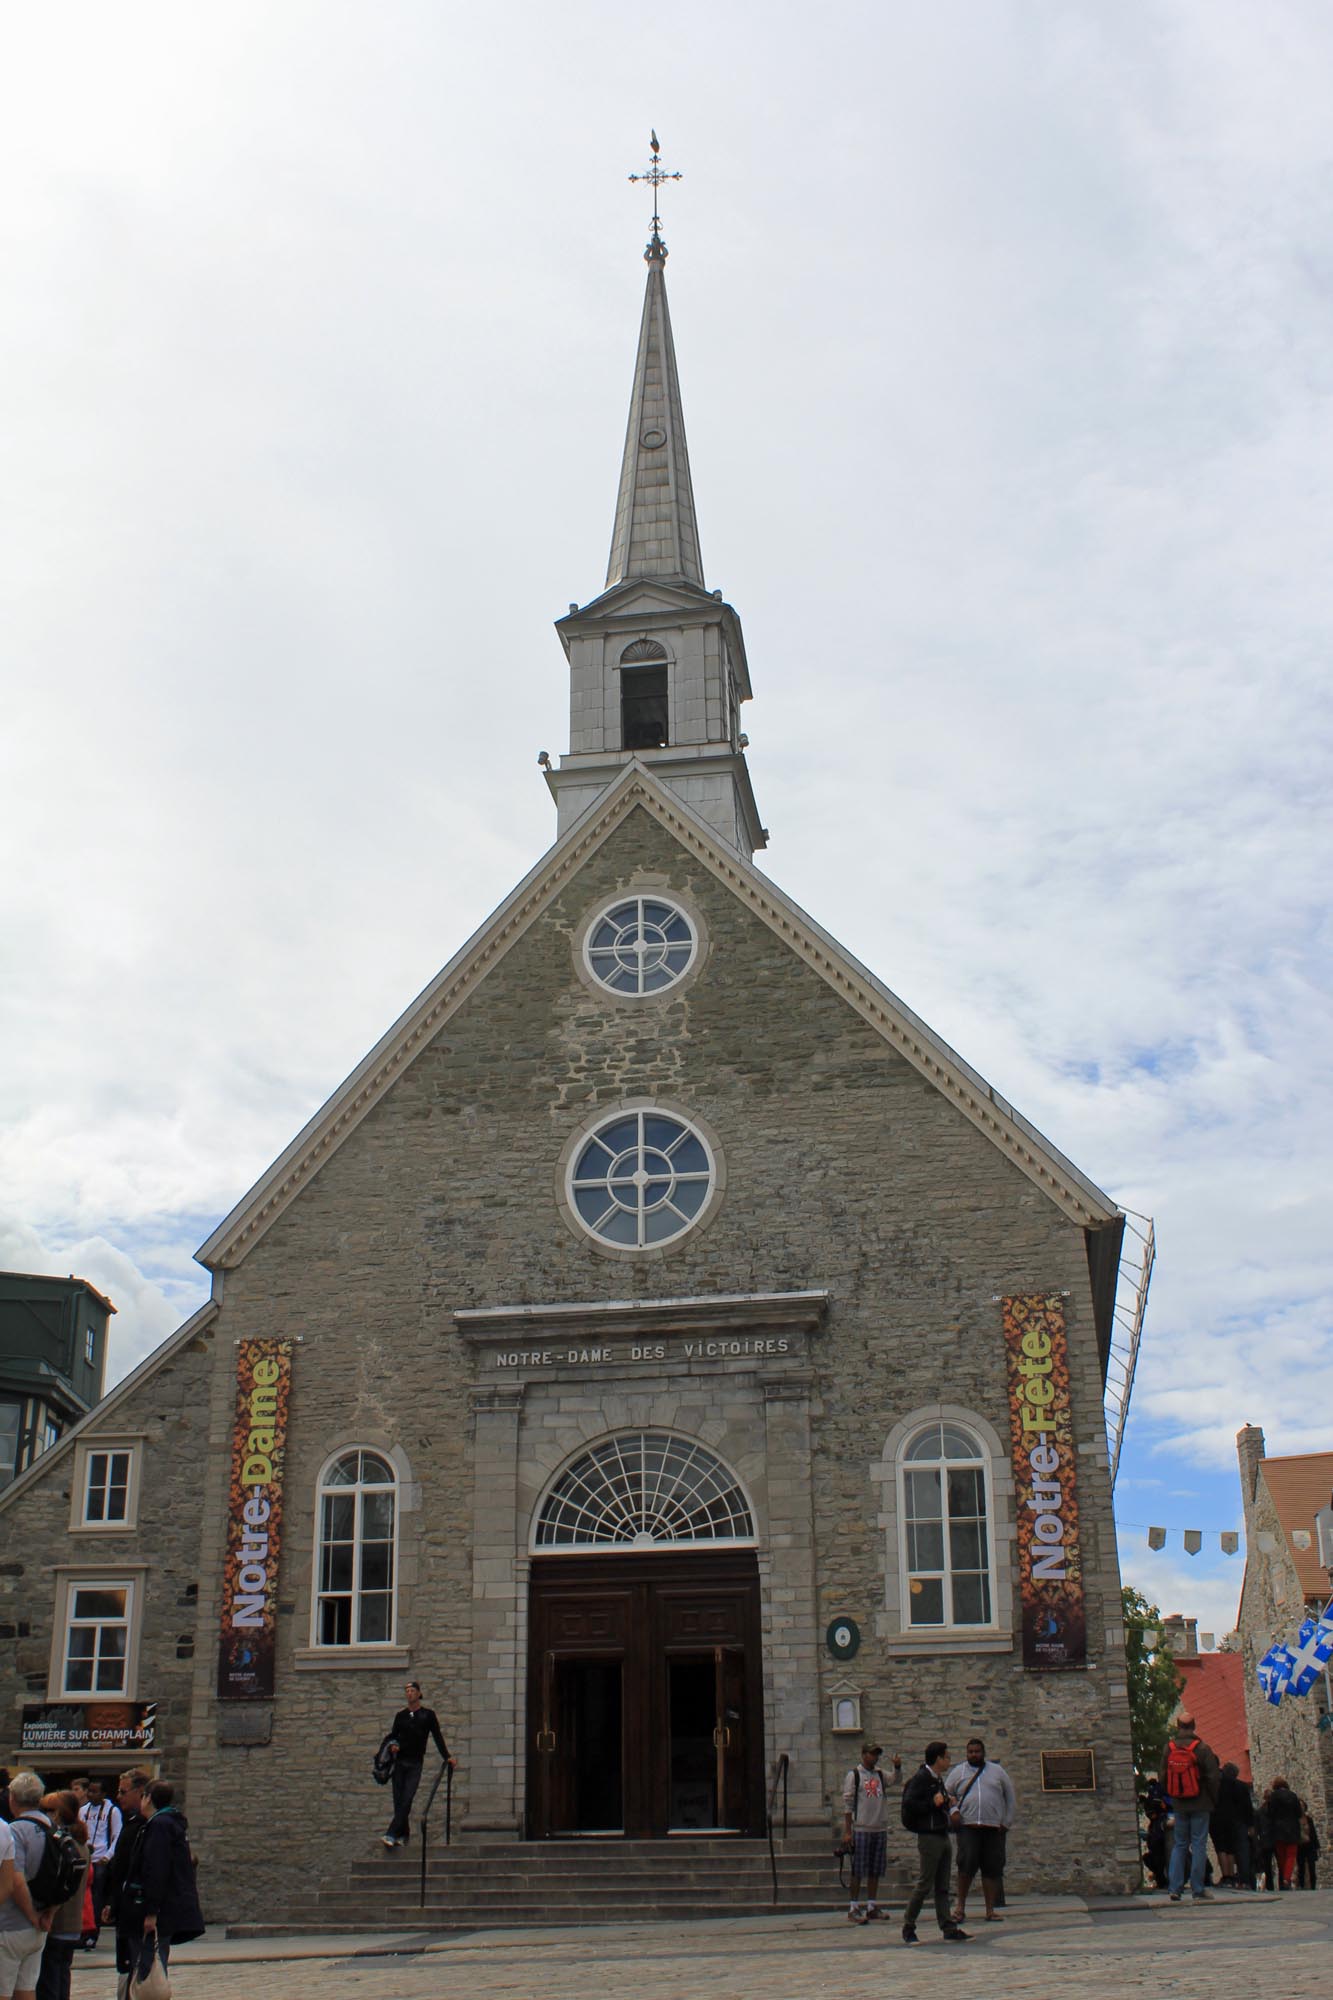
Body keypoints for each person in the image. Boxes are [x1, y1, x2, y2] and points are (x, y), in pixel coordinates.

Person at [131, 1781, 203, 1990]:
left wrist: (151, 1911)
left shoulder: (160, 1825)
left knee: (150, 1964)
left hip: (162, 1908)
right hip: (169, 1904)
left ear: (149, 1798)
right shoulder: (169, 1823)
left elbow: (157, 1869)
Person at [899, 1741, 969, 1945]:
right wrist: (933, 1803)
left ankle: (948, 1927)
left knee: (943, 1885)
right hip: (929, 1836)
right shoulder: (922, 1778)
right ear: (938, 1758)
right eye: (946, 1757)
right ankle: (908, 1926)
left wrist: (948, 1802)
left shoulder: (937, 1779)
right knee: (925, 1883)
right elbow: (911, 1804)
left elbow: (938, 1802)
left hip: (942, 1833)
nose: (949, 1761)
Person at [946, 1737, 1015, 1924]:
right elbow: (946, 1794)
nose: (974, 1755)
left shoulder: (997, 1772)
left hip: (993, 1828)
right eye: (971, 1752)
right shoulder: (958, 1772)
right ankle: (960, 1908)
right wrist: (953, 1811)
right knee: (965, 1867)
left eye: (977, 1751)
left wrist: (1006, 1822)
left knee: (991, 1869)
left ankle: (990, 1910)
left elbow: (1009, 1796)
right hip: (968, 1827)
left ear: (983, 1752)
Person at [0, 1771, 56, 2000]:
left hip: (11, 1923)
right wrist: (48, 1914)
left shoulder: (14, 1830)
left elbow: (16, 1880)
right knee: (26, 1989)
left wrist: (31, 1915)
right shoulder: (53, 1828)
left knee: (3, 1990)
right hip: (41, 1924)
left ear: (12, 1797)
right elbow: (66, 1876)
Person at [379, 1681, 454, 1847]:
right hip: (400, 1762)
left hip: (415, 1762)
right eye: (407, 1691)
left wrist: (447, 1756)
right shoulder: (401, 1716)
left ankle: (391, 1833)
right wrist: (393, 1745)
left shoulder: (427, 1715)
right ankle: (403, 1835)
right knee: (399, 1800)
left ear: (419, 1693)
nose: (409, 1694)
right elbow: (393, 1735)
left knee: (407, 1797)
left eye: (412, 1690)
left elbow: (437, 1736)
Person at [1159, 1712, 1219, 1903]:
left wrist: (1173, 1794)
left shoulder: (1169, 1748)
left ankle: (1174, 1888)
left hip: (1179, 1803)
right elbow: (1213, 1778)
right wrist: (1212, 1799)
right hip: (1200, 1803)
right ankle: (1197, 1888)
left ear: (1178, 1726)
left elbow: (1163, 1777)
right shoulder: (1202, 1748)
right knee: (1199, 1844)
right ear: (1194, 1726)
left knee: (1180, 1844)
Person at [33, 1793, 89, 2000]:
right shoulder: (80, 1843)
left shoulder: (63, 1844)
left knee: (49, 1983)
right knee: (62, 1979)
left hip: (58, 1923)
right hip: (73, 1925)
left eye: (47, 1810)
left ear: (57, 1813)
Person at [101, 1770, 151, 2000]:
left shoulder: (145, 1826)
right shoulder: (130, 1822)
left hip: (136, 1907)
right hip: (124, 1904)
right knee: (125, 1963)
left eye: (123, 1791)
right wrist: (112, 1901)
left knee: (135, 1965)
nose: (118, 1796)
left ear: (140, 1793)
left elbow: (134, 1869)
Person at [840, 1742, 899, 1924]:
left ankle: (872, 1905)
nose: (874, 1758)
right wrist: (848, 1831)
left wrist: (897, 1767)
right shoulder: (855, 1775)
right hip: (862, 1827)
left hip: (878, 1826)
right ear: (864, 1754)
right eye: (872, 1754)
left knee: (875, 1869)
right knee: (858, 1869)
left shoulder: (880, 1774)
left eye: (876, 1755)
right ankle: (854, 1906)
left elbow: (895, 1779)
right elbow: (848, 1803)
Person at [80, 1779, 120, 1950]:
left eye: (95, 1791)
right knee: (83, 1896)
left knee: (97, 1897)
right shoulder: (83, 1811)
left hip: (101, 1859)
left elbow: (117, 1835)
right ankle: (82, 1931)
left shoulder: (112, 1811)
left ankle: (92, 1933)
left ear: (103, 1794)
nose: (91, 1795)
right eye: (89, 1791)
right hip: (86, 1858)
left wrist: (108, 1855)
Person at [1211, 1762, 1253, 1889]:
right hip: (1237, 1821)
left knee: (1221, 1848)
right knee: (1234, 1849)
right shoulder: (1241, 1786)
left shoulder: (1218, 1785)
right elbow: (1248, 1807)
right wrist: (1250, 1825)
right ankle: (1241, 1879)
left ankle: (1227, 1877)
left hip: (1218, 1820)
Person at [1265, 1778, 1303, 1890]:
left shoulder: (1273, 1796)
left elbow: (1270, 1813)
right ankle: (1286, 1878)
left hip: (1278, 1829)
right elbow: (1299, 1813)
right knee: (1291, 1855)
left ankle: (1283, 1877)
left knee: (1281, 1855)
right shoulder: (1293, 1795)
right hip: (1293, 1829)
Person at [1297, 1809, 1320, 1890]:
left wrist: (1317, 1846)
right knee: (1301, 1867)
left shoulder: (1309, 1819)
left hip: (1310, 1846)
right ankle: (1302, 1885)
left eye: (1302, 1806)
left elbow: (1313, 1833)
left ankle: (1313, 1886)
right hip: (1300, 1846)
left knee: (1311, 1866)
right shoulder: (1295, 1820)